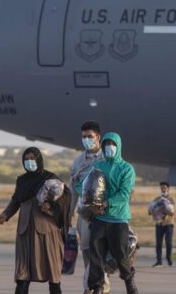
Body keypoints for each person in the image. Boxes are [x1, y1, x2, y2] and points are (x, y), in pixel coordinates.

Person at [0, 147, 71, 294]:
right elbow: (16, 201)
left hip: (46, 232)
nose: (29, 162)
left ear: (39, 159)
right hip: (25, 231)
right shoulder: (22, 180)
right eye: (26, 159)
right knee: (22, 274)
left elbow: (65, 197)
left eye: (32, 158)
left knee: (53, 274)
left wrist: (50, 205)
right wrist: (5, 215)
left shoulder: (50, 178)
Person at [79, 133, 137, 294]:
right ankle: (97, 286)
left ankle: (129, 281)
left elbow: (124, 194)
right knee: (96, 254)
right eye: (106, 144)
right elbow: (84, 186)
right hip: (99, 218)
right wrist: (91, 205)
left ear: (118, 146)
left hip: (118, 219)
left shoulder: (126, 169)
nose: (109, 147)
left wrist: (106, 203)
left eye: (112, 144)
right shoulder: (98, 166)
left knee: (121, 255)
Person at [70, 121, 110, 294]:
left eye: (90, 137)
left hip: (103, 214)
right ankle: (91, 284)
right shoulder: (78, 162)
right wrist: (68, 213)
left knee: (101, 251)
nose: (86, 140)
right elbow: (72, 190)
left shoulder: (107, 159)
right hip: (84, 214)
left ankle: (100, 286)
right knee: (87, 250)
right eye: (84, 137)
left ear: (98, 138)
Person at [150, 181, 176, 267]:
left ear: (168, 188)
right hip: (159, 223)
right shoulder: (157, 199)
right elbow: (151, 211)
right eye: (161, 188)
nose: (163, 189)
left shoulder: (172, 199)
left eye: (164, 187)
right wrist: (155, 209)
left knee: (168, 242)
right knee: (158, 243)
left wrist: (165, 207)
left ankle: (168, 259)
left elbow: (173, 212)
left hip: (169, 223)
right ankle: (159, 261)